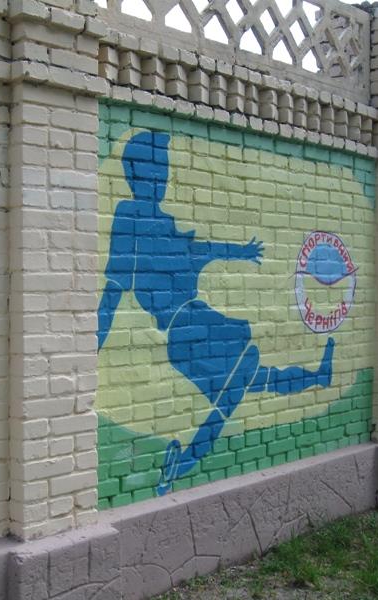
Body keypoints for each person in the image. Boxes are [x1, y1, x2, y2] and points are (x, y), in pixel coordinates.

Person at [97, 131, 335, 495]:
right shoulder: (129, 220)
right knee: (237, 389)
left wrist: (241, 251)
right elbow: (112, 293)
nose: (160, 181)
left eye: (163, 172)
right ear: (132, 175)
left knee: (253, 381)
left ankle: (318, 376)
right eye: (151, 172)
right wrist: (92, 343)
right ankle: (181, 465)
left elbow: (203, 250)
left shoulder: (166, 228)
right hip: (187, 331)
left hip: (197, 326)